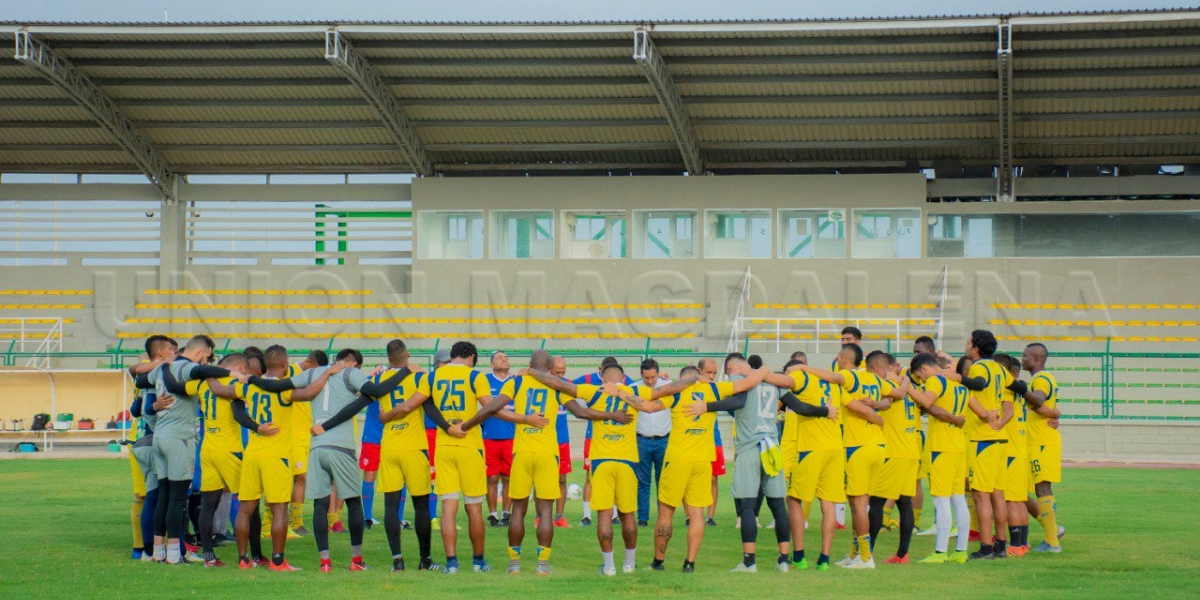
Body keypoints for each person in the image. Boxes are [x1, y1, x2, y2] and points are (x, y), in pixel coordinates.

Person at [253, 348, 408, 571]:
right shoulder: (350, 373)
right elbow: (378, 390)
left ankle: (325, 562)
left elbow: (277, 386)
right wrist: (404, 372)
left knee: (320, 504)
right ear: (353, 363)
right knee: (354, 502)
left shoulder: (313, 373)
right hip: (340, 446)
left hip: (317, 446)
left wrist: (250, 379)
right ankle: (356, 561)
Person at [526, 363, 687, 576]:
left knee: (604, 514)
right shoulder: (635, 391)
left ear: (602, 378)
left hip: (601, 461)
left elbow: (560, 385)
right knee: (628, 514)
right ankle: (629, 564)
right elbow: (667, 390)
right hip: (628, 461)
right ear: (623, 378)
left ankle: (609, 566)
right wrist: (692, 378)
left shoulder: (595, 391)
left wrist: (531, 371)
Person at [609, 359, 766, 573]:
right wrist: (763, 369)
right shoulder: (714, 389)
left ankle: (658, 563)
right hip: (702, 460)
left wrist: (618, 392)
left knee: (666, 512)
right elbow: (749, 383)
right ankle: (689, 564)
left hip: (678, 459)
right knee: (697, 514)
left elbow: (645, 406)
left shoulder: (676, 392)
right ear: (700, 375)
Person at [487, 350, 627, 575]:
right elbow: (580, 412)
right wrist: (611, 415)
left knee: (518, 511)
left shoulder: (517, 382)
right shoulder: (556, 386)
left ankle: (514, 563)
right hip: (547, 453)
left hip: (522, 452)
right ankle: (542, 564)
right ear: (550, 368)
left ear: (530, 364)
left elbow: (495, 407)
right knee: (544, 511)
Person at [697, 354, 834, 573]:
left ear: (734, 367)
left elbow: (738, 401)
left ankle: (749, 562)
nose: (729, 375)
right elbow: (799, 407)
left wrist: (707, 406)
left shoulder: (739, 381)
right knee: (778, 504)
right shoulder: (774, 383)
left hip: (750, 447)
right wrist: (825, 411)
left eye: (728, 371)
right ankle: (783, 560)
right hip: (772, 447)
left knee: (748, 506)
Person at [206, 356, 337, 570]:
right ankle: (277, 561)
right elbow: (310, 392)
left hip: (252, 455)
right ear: (285, 365)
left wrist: (207, 372)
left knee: (245, 510)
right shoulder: (282, 390)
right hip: (276, 456)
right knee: (278, 510)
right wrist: (328, 373)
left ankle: (243, 560)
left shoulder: (249, 387)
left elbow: (221, 391)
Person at [392, 341, 496, 574]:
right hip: (469, 445)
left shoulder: (433, 376)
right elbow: (489, 408)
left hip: (444, 445)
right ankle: (478, 562)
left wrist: (388, 414)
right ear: (471, 356)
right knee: (474, 508)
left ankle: (452, 564)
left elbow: (410, 405)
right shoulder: (475, 376)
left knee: (448, 507)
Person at [792, 343, 887, 569]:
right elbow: (893, 396)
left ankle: (866, 557)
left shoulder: (848, 377)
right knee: (862, 504)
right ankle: (856, 554)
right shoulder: (874, 379)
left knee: (858, 504)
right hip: (878, 446)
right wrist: (880, 410)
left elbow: (855, 401)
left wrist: (805, 369)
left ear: (844, 359)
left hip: (858, 446)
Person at [353, 339, 445, 572]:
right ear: (408, 355)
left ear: (388, 359)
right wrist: (449, 427)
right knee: (421, 505)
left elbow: (360, 400)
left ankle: (397, 560)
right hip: (414, 448)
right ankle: (425, 560)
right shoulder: (418, 378)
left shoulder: (378, 379)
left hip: (390, 447)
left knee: (391, 505)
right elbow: (431, 409)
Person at [143, 335, 235, 565]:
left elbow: (139, 382)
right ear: (199, 353)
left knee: (164, 495)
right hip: (179, 438)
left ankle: (158, 551)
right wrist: (235, 374)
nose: (206, 363)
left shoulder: (164, 367)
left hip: (161, 435)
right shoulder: (188, 367)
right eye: (207, 357)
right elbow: (198, 373)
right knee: (177, 499)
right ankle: (174, 554)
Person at [772, 355, 844, 571]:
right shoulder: (832, 386)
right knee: (828, 503)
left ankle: (800, 556)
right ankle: (824, 559)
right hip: (835, 448)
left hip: (810, 449)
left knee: (794, 500)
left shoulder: (801, 380)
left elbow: (786, 392)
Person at [954, 329, 1015, 560]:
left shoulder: (979, 367)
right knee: (998, 494)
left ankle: (986, 547)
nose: (966, 344)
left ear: (976, 348)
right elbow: (1017, 387)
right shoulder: (1000, 367)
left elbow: (978, 386)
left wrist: (960, 379)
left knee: (981, 495)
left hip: (983, 439)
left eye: (969, 341)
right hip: (1000, 439)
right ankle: (1001, 545)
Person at [907, 353, 972, 564]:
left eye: (920, 378)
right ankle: (961, 551)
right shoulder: (960, 385)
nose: (923, 383)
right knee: (958, 499)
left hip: (941, 446)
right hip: (958, 445)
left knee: (941, 499)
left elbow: (926, 400)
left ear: (924, 369)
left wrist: (907, 387)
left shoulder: (936, 380)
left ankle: (940, 552)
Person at [863, 353, 917, 565]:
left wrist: (872, 404)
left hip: (893, 451)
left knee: (876, 501)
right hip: (911, 451)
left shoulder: (887, 384)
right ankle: (902, 555)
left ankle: (868, 552)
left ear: (876, 368)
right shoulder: (907, 385)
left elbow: (885, 404)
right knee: (905, 503)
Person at [127, 335, 177, 561]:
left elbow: (133, 368)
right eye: (172, 351)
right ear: (160, 353)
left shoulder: (142, 373)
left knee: (146, 496)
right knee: (153, 495)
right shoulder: (155, 373)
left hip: (138, 438)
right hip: (150, 437)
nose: (175, 356)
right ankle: (147, 548)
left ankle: (143, 549)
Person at [572, 356, 634, 527]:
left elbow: (640, 387)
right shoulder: (588, 380)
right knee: (590, 477)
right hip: (593, 435)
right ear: (600, 371)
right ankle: (587, 516)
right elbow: (568, 384)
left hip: (617, 437)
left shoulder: (626, 383)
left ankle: (613, 515)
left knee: (614, 477)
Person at [1021, 342, 1065, 553]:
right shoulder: (1041, 378)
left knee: (1042, 488)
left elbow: (1039, 398)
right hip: (1038, 440)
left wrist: (1020, 389)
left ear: (1036, 359)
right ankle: (1053, 531)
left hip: (1042, 441)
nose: (1022, 359)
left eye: (1025, 356)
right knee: (1031, 488)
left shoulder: (1041, 379)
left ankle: (1052, 541)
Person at [285, 348, 329, 536]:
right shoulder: (292, 372)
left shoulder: (312, 379)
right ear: (310, 363)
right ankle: (289, 522)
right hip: (292, 437)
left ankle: (295, 521)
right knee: (295, 478)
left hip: (307, 436)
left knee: (302, 478)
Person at [996, 354, 1032, 557]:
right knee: (1018, 501)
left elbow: (1007, 412)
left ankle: (1016, 545)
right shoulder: (1020, 390)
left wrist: (998, 424)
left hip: (1010, 450)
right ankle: (1023, 544)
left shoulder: (1007, 389)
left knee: (1010, 501)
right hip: (1020, 450)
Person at [633, 359, 671, 528]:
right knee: (643, 481)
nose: (650, 381)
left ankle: (662, 516)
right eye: (646, 377)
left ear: (658, 372)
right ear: (641, 374)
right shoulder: (634, 388)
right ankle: (642, 517)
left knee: (662, 481)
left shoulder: (668, 385)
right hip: (642, 440)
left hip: (664, 439)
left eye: (653, 377)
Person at [483, 351, 515, 528]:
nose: (504, 359)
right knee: (492, 478)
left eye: (506, 357)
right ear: (492, 365)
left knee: (508, 477)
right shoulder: (484, 381)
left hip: (511, 437)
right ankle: (493, 514)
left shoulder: (515, 381)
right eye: (499, 358)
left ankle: (506, 514)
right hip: (490, 436)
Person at [549, 355, 572, 528]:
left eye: (563, 372)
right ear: (549, 368)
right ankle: (541, 516)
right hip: (545, 439)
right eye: (557, 372)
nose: (560, 375)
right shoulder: (540, 383)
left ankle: (559, 517)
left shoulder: (567, 384)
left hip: (562, 439)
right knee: (543, 480)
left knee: (562, 480)